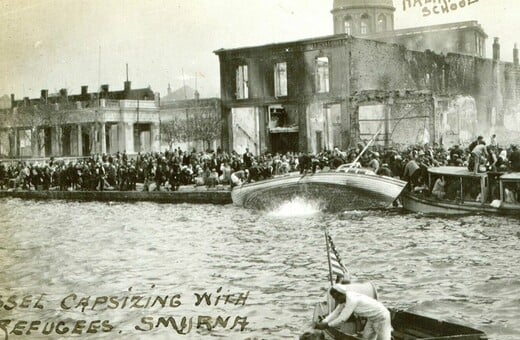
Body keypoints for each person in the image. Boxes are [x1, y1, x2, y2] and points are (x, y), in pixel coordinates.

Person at [315, 284, 391, 340]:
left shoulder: (351, 300)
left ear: (341, 294)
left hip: (381, 317)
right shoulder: (344, 299)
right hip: (371, 318)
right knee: (367, 337)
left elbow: (342, 319)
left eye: (336, 298)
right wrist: (324, 321)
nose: (336, 300)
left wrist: (327, 325)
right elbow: (336, 312)